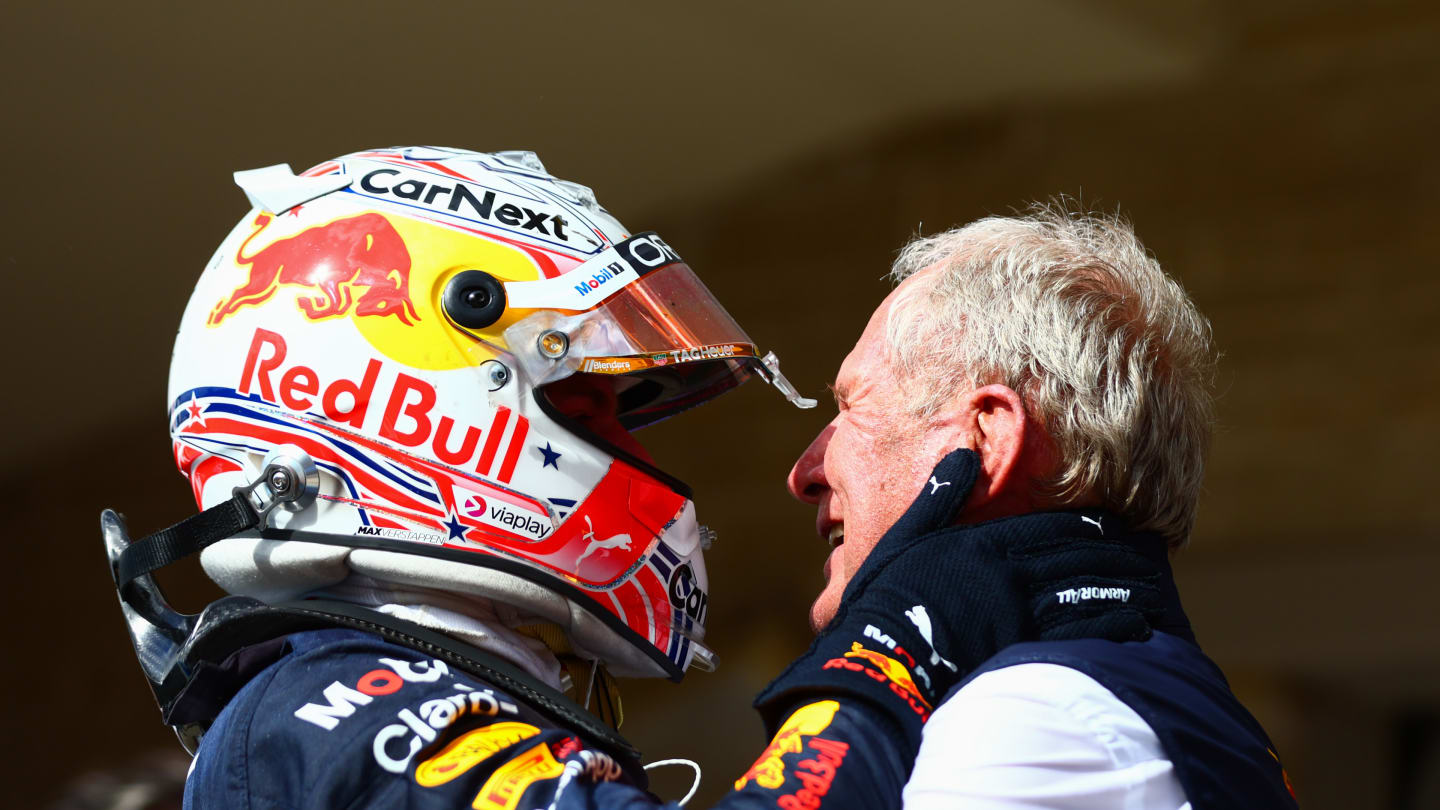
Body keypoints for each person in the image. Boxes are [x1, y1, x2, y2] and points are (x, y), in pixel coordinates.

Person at [103, 147, 1201, 809]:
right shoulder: (330, 705)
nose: (798, 467)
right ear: (399, 392)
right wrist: (893, 654)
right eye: (579, 404)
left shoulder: (395, 691)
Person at [784, 205, 1301, 808]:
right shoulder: (1133, 693)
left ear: (986, 438)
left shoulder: (1036, 718)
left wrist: (878, 652)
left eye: (852, 405)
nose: (803, 473)